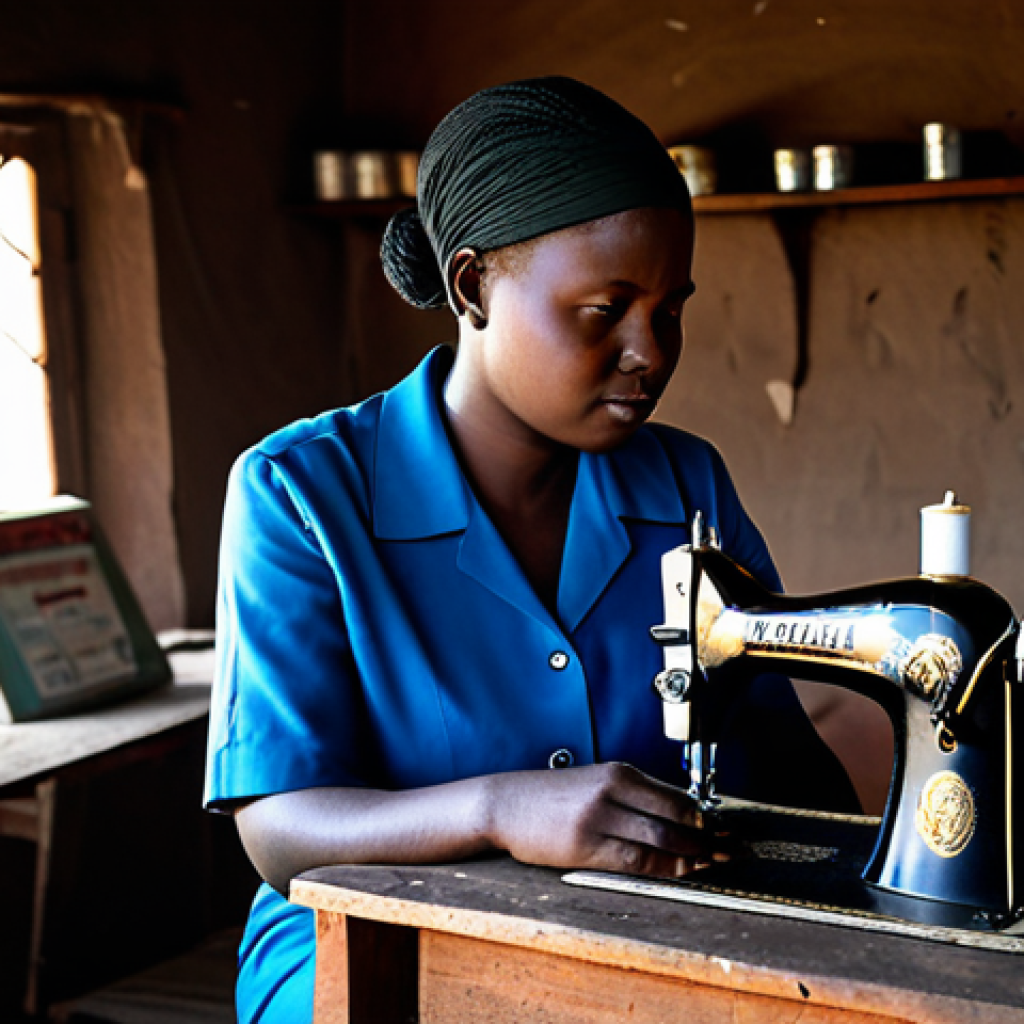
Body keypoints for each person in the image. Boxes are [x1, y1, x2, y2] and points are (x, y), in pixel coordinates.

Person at [204, 76, 858, 1023]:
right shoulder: (301, 494)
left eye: (670, 309)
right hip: (368, 944)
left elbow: (781, 757)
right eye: (606, 309)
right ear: (472, 286)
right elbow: (279, 831)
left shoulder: (685, 487)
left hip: (638, 930)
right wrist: (499, 810)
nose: (651, 351)